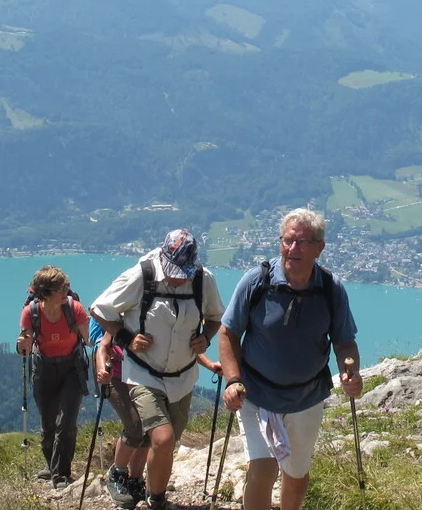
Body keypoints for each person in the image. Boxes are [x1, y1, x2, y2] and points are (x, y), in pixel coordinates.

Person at [218, 208, 363, 510]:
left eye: (302, 243)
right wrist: (233, 380)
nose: (292, 249)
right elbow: (228, 333)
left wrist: (351, 374)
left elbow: (344, 342)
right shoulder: (257, 282)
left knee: (296, 474)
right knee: (264, 468)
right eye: (287, 241)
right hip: (257, 394)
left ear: (320, 248)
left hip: (306, 398)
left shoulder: (331, 289)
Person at [90, 229, 224, 510]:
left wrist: (206, 338)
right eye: (176, 271)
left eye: (185, 271)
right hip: (143, 373)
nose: (180, 277)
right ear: (163, 258)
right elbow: (100, 309)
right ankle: (157, 501)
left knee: (166, 442)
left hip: (183, 375)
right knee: (162, 439)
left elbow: (215, 317)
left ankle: (144, 487)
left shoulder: (202, 279)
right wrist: (126, 338)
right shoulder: (141, 275)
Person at [90, 312, 224, 508]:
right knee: (135, 426)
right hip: (116, 376)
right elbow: (103, 346)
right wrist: (103, 370)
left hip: (143, 379)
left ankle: (135, 481)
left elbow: (180, 349)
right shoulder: (124, 317)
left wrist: (210, 365)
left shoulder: (152, 317)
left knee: (149, 429)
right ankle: (117, 474)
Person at [16, 265, 91, 490]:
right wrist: (22, 345)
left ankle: (61, 475)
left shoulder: (74, 308)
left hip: (71, 369)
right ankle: (53, 467)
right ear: (46, 293)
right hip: (44, 370)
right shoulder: (31, 312)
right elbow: (25, 347)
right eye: (61, 288)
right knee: (48, 426)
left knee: (66, 422)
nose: (66, 291)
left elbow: (89, 339)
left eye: (66, 286)